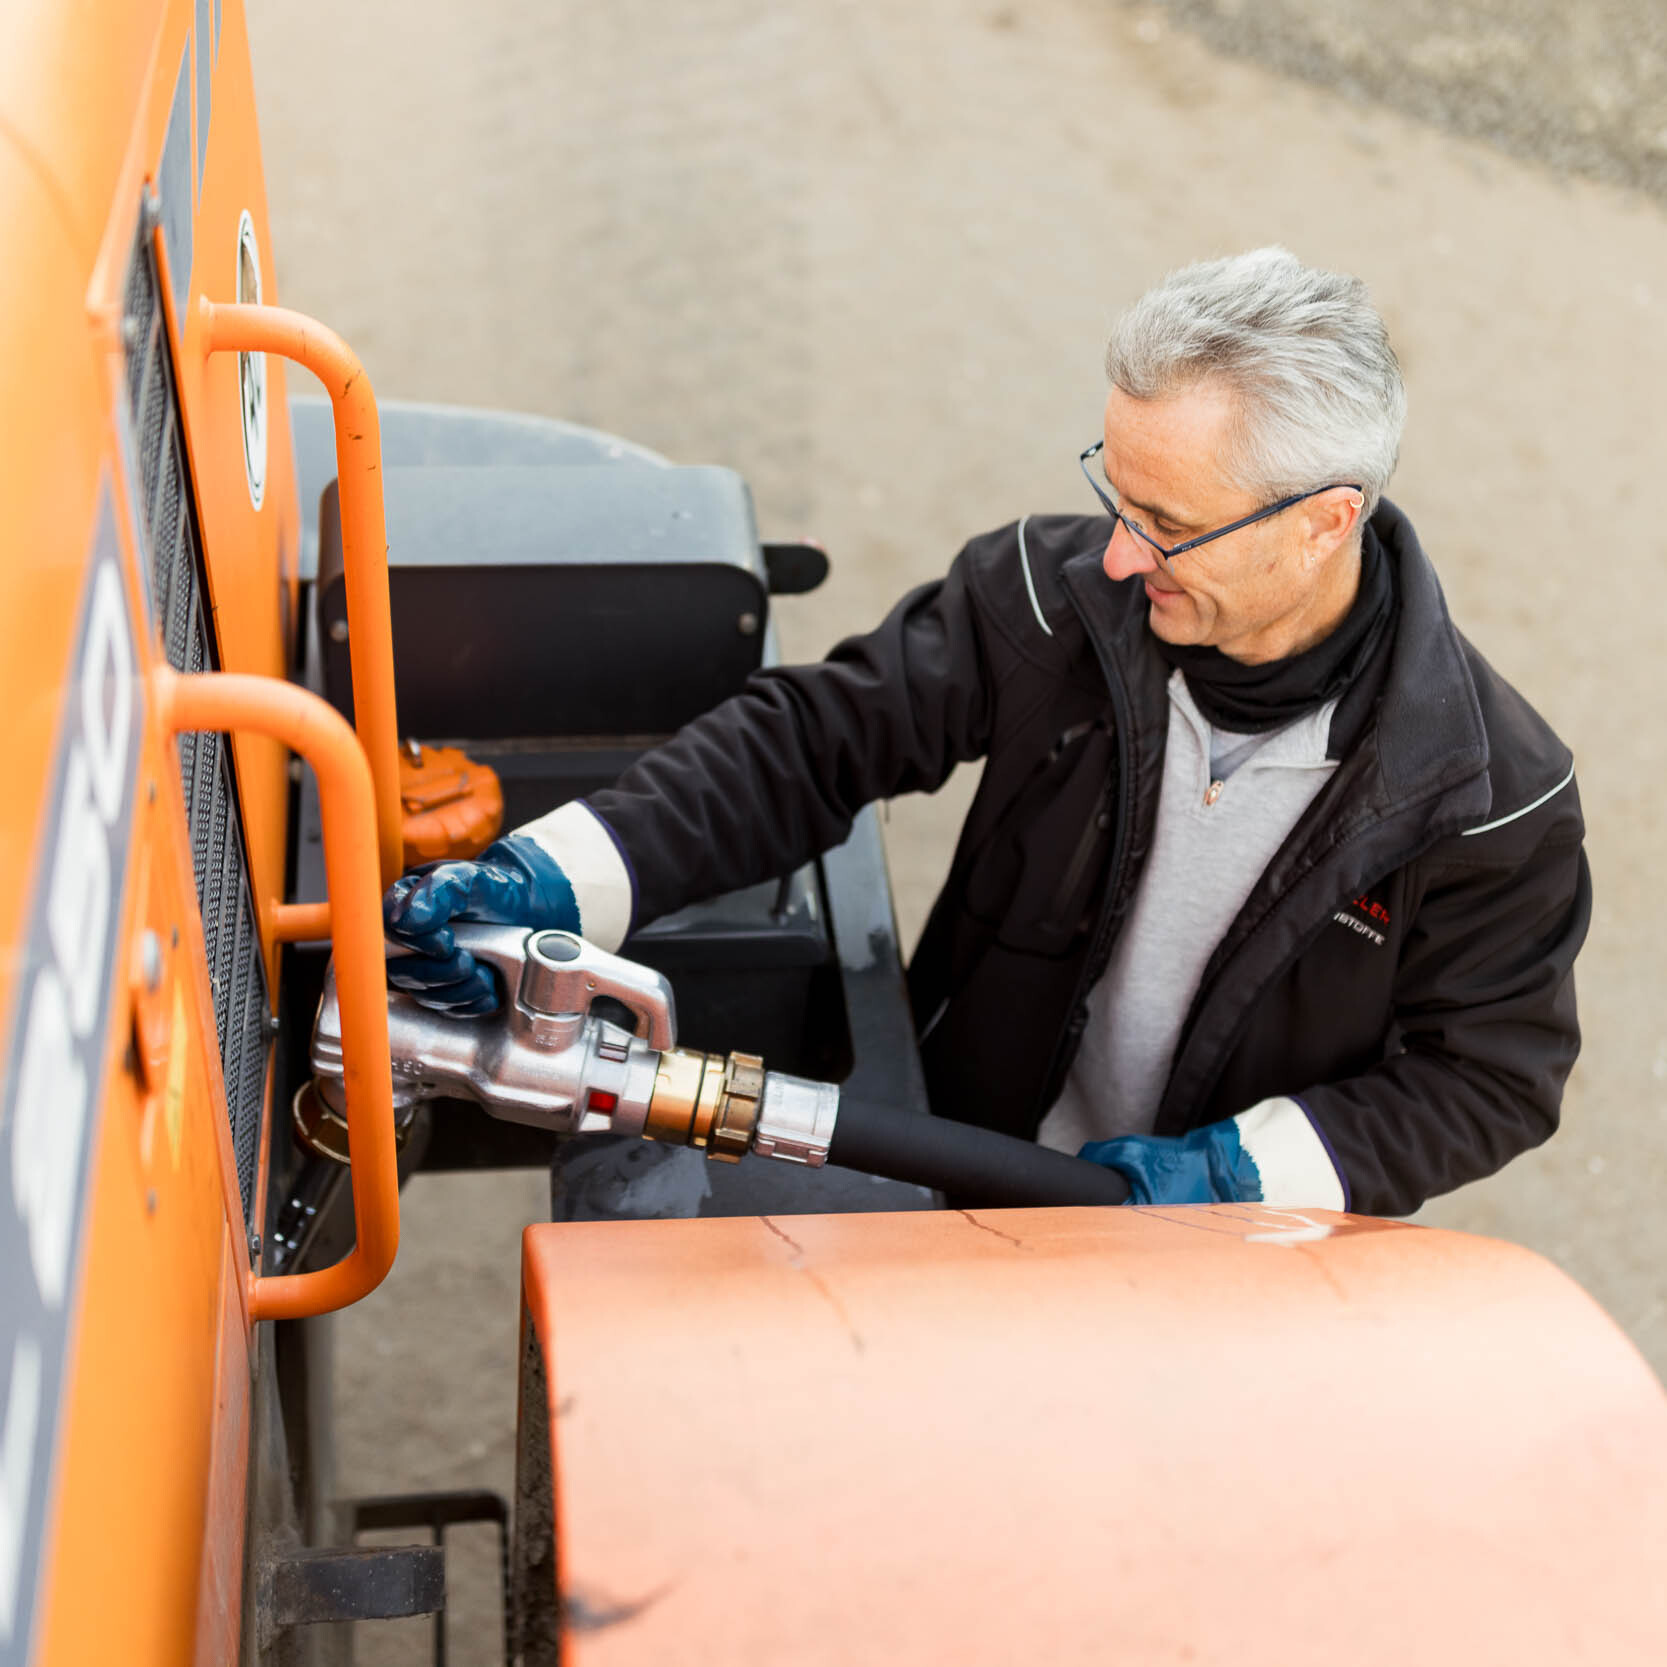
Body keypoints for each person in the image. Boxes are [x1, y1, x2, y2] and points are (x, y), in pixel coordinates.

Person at [384, 248, 1590, 1217]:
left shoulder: (1487, 796)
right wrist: (550, 872)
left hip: (1234, 1264)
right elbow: (813, 742)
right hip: (972, 1171)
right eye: (1110, 494)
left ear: (1325, 521)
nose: (1118, 555)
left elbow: (1485, 1073)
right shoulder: (1044, 599)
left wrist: (1233, 1174)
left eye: (1163, 524)